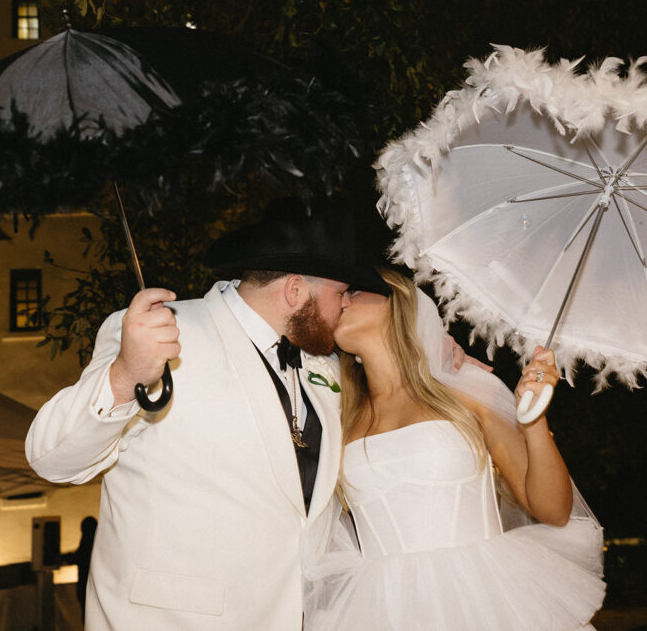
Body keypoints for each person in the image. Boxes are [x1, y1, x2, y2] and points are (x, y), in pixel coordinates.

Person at [25, 198, 393, 629]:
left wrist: (453, 367)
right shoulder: (160, 333)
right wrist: (126, 375)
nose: (347, 304)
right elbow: (51, 459)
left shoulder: (323, 369)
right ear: (295, 291)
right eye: (341, 292)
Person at [303, 269, 606, 629]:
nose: (343, 299)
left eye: (354, 291)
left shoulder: (469, 390)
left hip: (487, 600)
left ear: (400, 303)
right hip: (384, 611)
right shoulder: (334, 411)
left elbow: (553, 511)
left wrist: (533, 420)